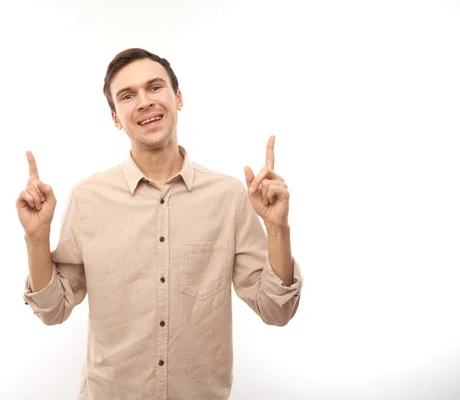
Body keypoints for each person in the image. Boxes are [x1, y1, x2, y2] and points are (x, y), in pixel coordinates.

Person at [17, 48, 303, 399]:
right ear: (115, 118)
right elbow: (52, 310)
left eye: (155, 87)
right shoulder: (87, 199)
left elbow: (277, 310)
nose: (144, 102)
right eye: (127, 95)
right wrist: (36, 236)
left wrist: (278, 229)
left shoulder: (229, 196)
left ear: (178, 98)